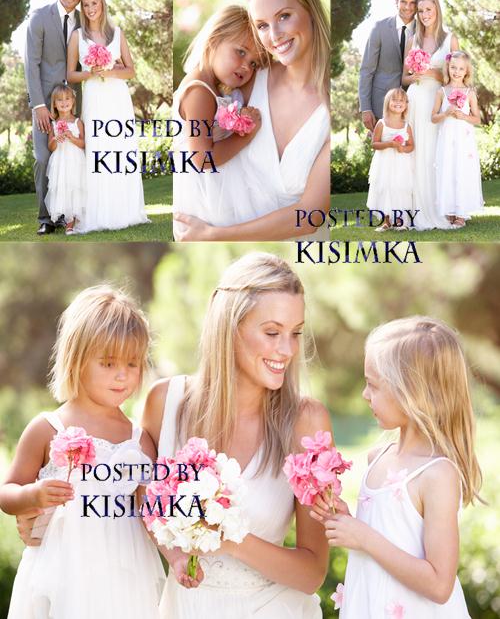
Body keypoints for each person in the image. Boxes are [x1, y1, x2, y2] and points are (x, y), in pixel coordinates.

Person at [142, 251, 330, 616]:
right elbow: (142, 499)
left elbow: (311, 574)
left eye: (295, 333)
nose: (287, 350)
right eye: (272, 332)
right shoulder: (165, 403)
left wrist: (230, 540)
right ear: (229, 327)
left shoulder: (307, 421)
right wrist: (177, 554)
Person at [1, 285, 165, 618]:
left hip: (127, 575)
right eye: (108, 363)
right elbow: (7, 493)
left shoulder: (140, 440)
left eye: (132, 364)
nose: (122, 375)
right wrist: (34, 495)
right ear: (77, 359)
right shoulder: (47, 429)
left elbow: (150, 513)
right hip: (65, 570)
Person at [316, 316, 481, 617]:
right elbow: (387, 540)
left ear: (411, 393)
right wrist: (348, 523)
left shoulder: (437, 474)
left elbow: (439, 584)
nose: (365, 395)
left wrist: (363, 537)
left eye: (373, 386)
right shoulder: (377, 457)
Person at [174, 0, 330, 241]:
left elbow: (310, 216)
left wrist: (215, 235)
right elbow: (199, 144)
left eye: (284, 16)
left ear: (309, 9)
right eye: (262, 25)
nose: (275, 35)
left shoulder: (333, 103)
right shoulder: (248, 80)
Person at [172, 4, 265, 239]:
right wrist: (245, 136)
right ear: (214, 40)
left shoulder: (214, 87)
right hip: (204, 195)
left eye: (254, 63)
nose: (246, 66)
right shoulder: (200, 92)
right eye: (241, 52)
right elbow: (202, 158)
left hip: (217, 186)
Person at [66, 0, 149, 233]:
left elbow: (131, 71)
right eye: (87, 5)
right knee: (97, 149)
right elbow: (70, 74)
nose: (91, 9)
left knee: (120, 150)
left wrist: (110, 71)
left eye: (95, 4)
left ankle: (126, 212)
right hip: (94, 99)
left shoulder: (118, 33)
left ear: (102, 5)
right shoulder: (77, 36)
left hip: (118, 99)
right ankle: (98, 213)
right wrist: (90, 72)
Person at [24, 0, 88, 236]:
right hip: (45, 103)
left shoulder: (85, 22)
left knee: (74, 157)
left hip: (76, 100)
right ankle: (45, 217)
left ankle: (70, 214)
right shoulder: (40, 17)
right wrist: (38, 105)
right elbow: (32, 63)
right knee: (42, 158)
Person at [403, 0, 458, 230]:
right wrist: (414, 75)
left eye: (429, 10)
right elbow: (404, 77)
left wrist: (435, 73)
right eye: (421, 11)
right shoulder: (412, 39)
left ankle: (440, 208)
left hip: (437, 102)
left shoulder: (450, 39)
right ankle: (415, 208)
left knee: (436, 155)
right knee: (416, 155)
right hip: (415, 99)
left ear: (437, 10)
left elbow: (458, 76)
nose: (425, 15)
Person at [358, 0, 421, 131]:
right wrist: (366, 108)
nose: (407, 7)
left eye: (412, 3)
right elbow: (367, 69)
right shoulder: (379, 28)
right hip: (382, 103)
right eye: (403, 2)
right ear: (396, 2)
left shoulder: (423, 31)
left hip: (414, 103)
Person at [432, 51, 483, 228]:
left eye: (461, 68)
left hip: (463, 140)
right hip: (446, 140)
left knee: (461, 171)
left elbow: (477, 119)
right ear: (448, 68)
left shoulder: (469, 93)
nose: (457, 71)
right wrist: (445, 113)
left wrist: (463, 116)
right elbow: (433, 118)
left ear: (466, 71)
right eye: (453, 67)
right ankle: (450, 211)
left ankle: (461, 213)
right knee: (448, 170)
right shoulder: (441, 91)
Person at [367, 88, 415, 231]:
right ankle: (386, 221)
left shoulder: (406, 126)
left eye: (401, 100)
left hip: (401, 164)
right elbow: (374, 144)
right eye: (394, 100)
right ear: (388, 103)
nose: (398, 103)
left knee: (399, 188)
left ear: (406, 105)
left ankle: (399, 221)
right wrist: (390, 144)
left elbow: (411, 146)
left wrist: (402, 148)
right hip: (385, 163)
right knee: (386, 189)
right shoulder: (382, 123)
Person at [45, 84, 86, 234]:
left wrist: (72, 137)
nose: (64, 102)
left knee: (75, 189)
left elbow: (82, 144)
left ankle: (71, 225)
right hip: (61, 162)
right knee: (64, 190)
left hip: (75, 161)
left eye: (67, 98)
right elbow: (51, 146)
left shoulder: (77, 122)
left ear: (73, 101)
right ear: (54, 104)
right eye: (60, 100)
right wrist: (57, 138)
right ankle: (66, 220)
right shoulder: (54, 124)